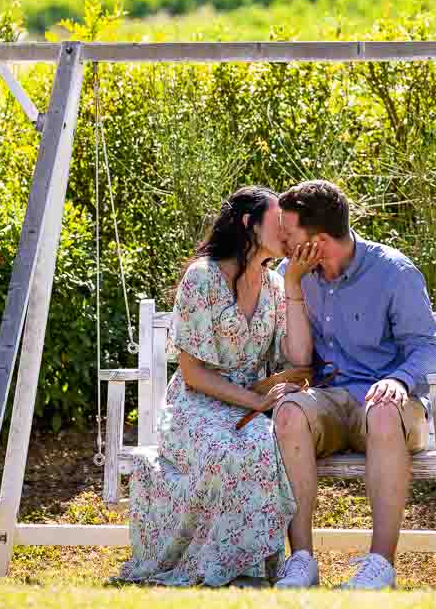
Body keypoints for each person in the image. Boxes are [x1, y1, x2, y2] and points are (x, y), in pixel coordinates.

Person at [116, 185, 319, 587]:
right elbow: (193, 374)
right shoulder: (202, 277)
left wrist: (294, 283)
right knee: (227, 449)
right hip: (195, 405)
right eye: (278, 222)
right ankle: (220, 567)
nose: (286, 231)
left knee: (264, 443)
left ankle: (252, 570)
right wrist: (255, 402)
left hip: (248, 406)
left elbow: (298, 360)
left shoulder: (275, 286)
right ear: (249, 224)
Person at [273, 179, 436, 591]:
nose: (281, 240)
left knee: (384, 410)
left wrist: (398, 379)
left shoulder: (394, 273)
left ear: (319, 241)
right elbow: (291, 353)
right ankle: (300, 562)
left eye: (289, 234)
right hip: (330, 400)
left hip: (390, 404)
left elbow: (428, 347)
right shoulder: (290, 275)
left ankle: (380, 565)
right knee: (290, 412)